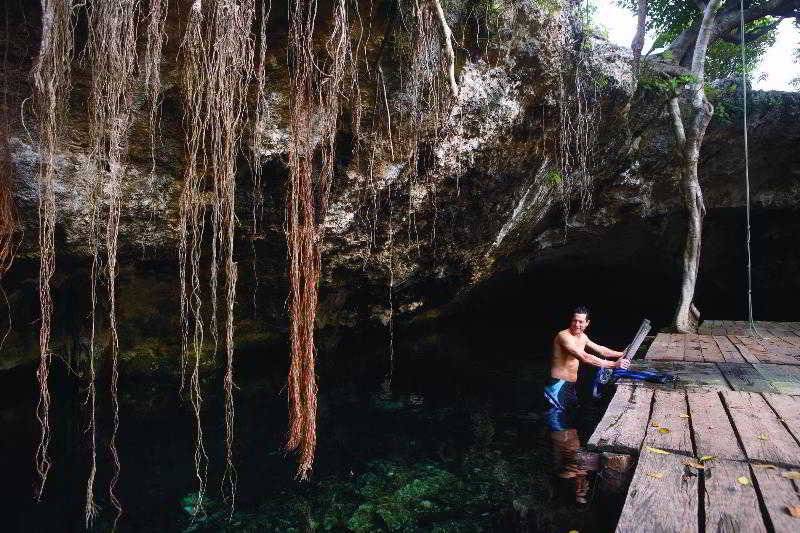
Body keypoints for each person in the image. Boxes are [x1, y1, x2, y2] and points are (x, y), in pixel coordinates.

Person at [544, 305, 629, 504]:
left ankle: (575, 496)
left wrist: (619, 354)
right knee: (560, 429)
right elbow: (585, 357)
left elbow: (600, 349)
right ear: (570, 320)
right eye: (575, 320)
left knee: (571, 431)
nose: (577, 324)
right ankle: (567, 493)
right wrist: (613, 365)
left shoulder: (583, 337)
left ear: (587, 323)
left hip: (569, 387)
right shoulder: (563, 336)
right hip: (556, 387)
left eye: (581, 321)